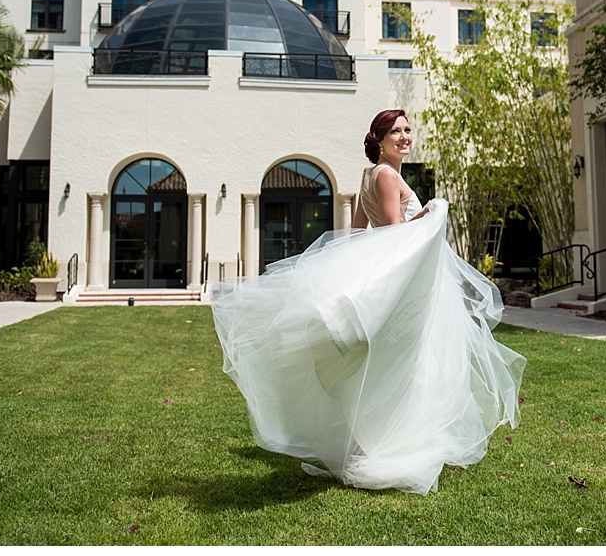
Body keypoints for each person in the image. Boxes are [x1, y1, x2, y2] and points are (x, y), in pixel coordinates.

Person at [210, 109, 525, 495]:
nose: (405, 136)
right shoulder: (388, 175)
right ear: (378, 138)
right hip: (401, 276)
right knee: (406, 359)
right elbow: (394, 234)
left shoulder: (369, 175)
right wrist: (429, 216)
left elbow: (360, 231)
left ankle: (370, 441)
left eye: (408, 129)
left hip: (393, 273)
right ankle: (386, 441)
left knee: (382, 363)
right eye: (396, 131)